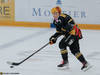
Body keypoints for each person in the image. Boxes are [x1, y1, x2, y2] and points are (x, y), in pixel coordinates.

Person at [49, 6, 91, 71]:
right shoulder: (55, 21)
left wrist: (64, 29)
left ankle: (66, 62)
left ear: (59, 13)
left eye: (56, 13)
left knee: (62, 45)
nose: (54, 15)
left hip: (74, 34)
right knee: (74, 50)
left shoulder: (65, 17)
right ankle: (85, 63)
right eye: (53, 13)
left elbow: (71, 25)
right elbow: (58, 32)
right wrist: (53, 38)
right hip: (69, 35)